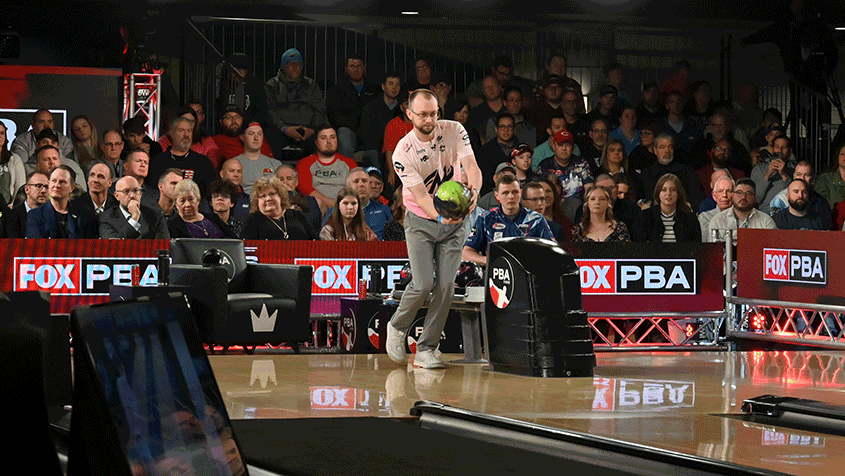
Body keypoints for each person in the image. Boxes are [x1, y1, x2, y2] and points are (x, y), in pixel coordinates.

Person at [386, 88, 482, 369]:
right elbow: (421, 197)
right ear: (410, 114)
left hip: (457, 217)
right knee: (423, 282)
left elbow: (471, 165)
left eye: (433, 113)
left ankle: (427, 348)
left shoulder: (455, 130)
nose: (429, 119)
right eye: (423, 114)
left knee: (447, 285)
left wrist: (474, 190)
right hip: (421, 220)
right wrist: (439, 218)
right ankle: (397, 325)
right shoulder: (403, 152)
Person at [462, 174, 553, 265]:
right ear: (497, 196)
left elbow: (552, 251)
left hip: (528, 275)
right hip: (495, 275)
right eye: (505, 193)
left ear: (520, 193)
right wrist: (490, 261)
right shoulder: (485, 218)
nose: (511, 196)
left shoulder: (536, 220)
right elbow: (466, 253)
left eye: (515, 192)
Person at [265, 48, 327, 156]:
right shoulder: (272, 85)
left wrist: (311, 129)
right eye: (290, 64)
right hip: (281, 130)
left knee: (322, 136)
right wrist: (285, 128)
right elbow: (269, 112)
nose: (295, 67)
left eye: (298, 64)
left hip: (308, 131)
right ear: (283, 66)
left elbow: (320, 110)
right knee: (270, 133)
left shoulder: (310, 84)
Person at [326, 51, 379, 159]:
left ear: (364, 67)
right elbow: (335, 117)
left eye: (359, 66)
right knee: (344, 133)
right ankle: (348, 172)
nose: (355, 69)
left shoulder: (375, 90)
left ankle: (376, 174)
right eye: (352, 66)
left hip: (371, 133)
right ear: (346, 69)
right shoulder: (337, 90)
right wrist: (356, 126)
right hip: (350, 133)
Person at [295, 125, 358, 215]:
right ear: (316, 142)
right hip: (317, 207)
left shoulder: (349, 163)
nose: (328, 142)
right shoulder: (304, 163)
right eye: (323, 138)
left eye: (332, 137)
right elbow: (305, 188)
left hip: (345, 206)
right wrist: (331, 203)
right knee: (318, 205)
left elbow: (355, 188)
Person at [148, 116, 217, 199]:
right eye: (181, 130)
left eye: (189, 131)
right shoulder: (157, 162)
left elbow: (210, 194)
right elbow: (151, 192)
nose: (186, 135)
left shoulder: (204, 162)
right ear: (171, 134)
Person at [26, 165, 97, 239]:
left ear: (72, 188)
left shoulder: (83, 215)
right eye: (53, 181)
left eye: (62, 182)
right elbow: (37, 247)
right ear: (49, 184)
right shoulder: (35, 216)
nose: (56, 185)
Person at [640, 134, 704, 211]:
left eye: (670, 147)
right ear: (655, 150)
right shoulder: (646, 174)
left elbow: (697, 197)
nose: (667, 151)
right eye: (662, 147)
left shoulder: (687, 172)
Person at [632, 173, 701, 242]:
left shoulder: (690, 219)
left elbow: (696, 248)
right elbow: (638, 248)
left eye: (673, 190)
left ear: (678, 193)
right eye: (664, 190)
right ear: (658, 193)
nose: (668, 193)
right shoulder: (644, 217)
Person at [243, 176, 316, 240]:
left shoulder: (299, 216)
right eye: (263, 196)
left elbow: (315, 241)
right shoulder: (252, 221)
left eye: (272, 194)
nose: (268, 199)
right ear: (257, 202)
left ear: (280, 196)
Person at [706, 177, 777, 242]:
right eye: (739, 192)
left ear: (755, 198)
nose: (743, 197)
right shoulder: (717, 221)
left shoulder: (766, 221)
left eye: (748, 193)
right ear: (733, 195)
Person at [99, 175, 170, 239]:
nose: (132, 195)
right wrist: (135, 217)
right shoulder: (106, 218)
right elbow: (115, 247)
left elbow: (164, 246)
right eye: (126, 191)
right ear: (117, 196)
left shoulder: (155, 215)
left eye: (136, 191)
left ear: (140, 194)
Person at [358, 71, 403, 166]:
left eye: (397, 85)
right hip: (376, 151)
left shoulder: (403, 109)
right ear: (383, 87)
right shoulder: (371, 108)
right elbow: (366, 137)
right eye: (391, 84)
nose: (394, 88)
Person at [167, 179, 236, 238]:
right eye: (182, 201)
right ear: (176, 204)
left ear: (198, 201)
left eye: (191, 199)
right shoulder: (171, 225)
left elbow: (234, 240)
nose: (187, 204)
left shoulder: (214, 218)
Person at [158, 105, 222, 169]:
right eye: (184, 120)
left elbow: (212, 166)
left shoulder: (206, 141)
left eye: (191, 121)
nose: (187, 124)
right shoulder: (165, 140)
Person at [537, 129, 594, 200]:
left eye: (568, 145)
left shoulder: (581, 163)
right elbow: (537, 192)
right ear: (554, 146)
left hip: (577, 206)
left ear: (572, 147)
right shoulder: (544, 165)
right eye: (560, 145)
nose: (564, 148)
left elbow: (590, 189)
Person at [233, 122, 282, 195]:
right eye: (251, 134)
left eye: (259, 134)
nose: (256, 138)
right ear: (242, 137)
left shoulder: (276, 164)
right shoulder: (234, 163)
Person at [750, 135, 792, 213]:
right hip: (763, 216)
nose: (780, 150)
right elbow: (755, 200)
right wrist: (767, 175)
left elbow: (794, 197)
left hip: (786, 216)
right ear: (772, 149)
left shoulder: (793, 172)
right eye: (777, 147)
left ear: (790, 151)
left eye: (784, 147)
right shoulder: (758, 169)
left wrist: (784, 175)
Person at [478, 112, 517, 194]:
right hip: (490, 193)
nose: (506, 130)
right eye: (502, 126)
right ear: (496, 129)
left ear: (514, 129)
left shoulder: (520, 149)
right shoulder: (485, 151)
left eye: (509, 127)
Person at [275, 164, 321, 233]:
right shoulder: (270, 201)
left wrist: (289, 193)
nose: (285, 183)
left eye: (289, 179)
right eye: (281, 179)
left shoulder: (309, 200)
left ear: (296, 182)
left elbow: (314, 223)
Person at [4, 171, 48, 238]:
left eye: (47, 187)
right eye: (38, 186)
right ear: (27, 189)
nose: (43, 190)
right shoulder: (10, 217)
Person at [599, 139, 643, 204]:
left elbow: (640, 196)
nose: (616, 153)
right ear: (606, 154)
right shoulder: (598, 174)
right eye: (612, 150)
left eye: (619, 150)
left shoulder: (633, 174)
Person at [0, 121, 26, 204]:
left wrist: (12, 206)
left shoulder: (15, 159)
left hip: (9, 209)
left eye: (2, 133)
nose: (0, 136)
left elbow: (20, 188)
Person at [219, 158, 252, 222]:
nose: (236, 175)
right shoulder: (212, 199)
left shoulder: (251, 200)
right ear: (222, 174)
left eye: (239, 171)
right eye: (232, 171)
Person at [814, 143, 845, 210]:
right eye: (842, 154)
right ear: (838, 156)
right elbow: (819, 204)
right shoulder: (825, 179)